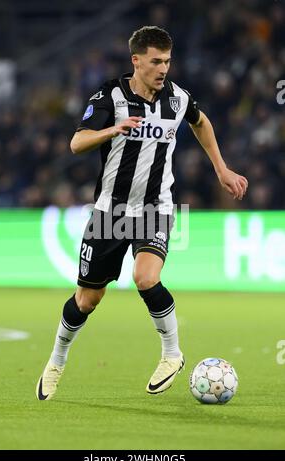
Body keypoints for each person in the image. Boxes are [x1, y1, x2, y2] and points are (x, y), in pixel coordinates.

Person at [36, 26, 248, 400]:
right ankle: (56, 361)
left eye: (167, 60)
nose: (163, 68)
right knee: (87, 300)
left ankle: (172, 354)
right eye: (155, 61)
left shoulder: (178, 98)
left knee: (145, 277)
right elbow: (77, 142)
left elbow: (201, 123)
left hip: (155, 208)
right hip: (109, 212)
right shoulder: (109, 95)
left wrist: (221, 168)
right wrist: (112, 130)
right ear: (137, 61)